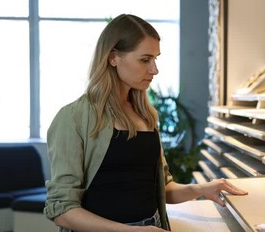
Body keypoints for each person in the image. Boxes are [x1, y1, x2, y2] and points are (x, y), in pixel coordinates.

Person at [44, 14, 248, 232]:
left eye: (155, 59)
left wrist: (200, 189)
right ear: (113, 58)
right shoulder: (72, 118)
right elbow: (62, 211)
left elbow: (162, 187)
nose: (154, 69)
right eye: (145, 59)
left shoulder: (145, 115)